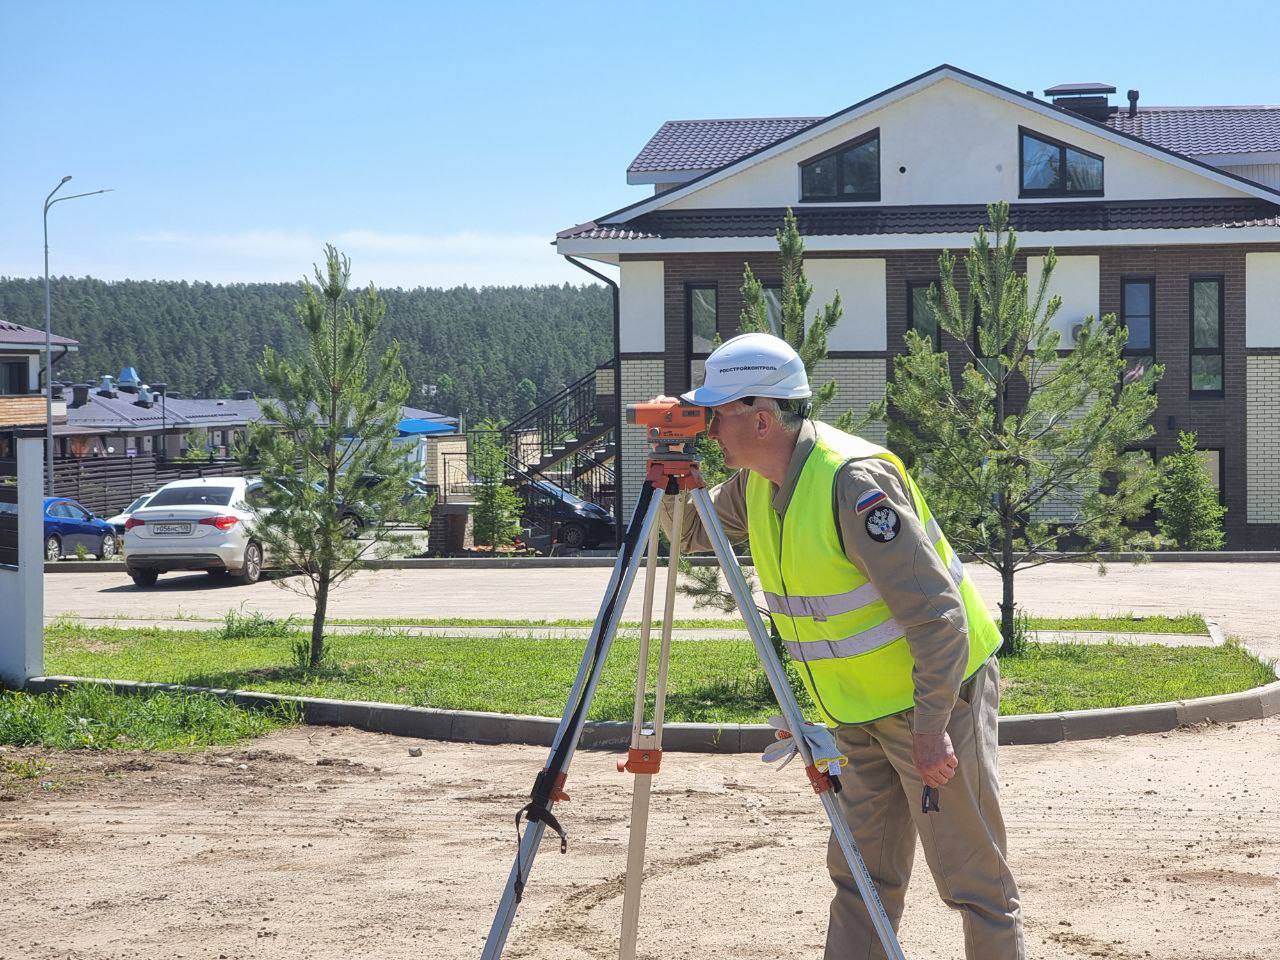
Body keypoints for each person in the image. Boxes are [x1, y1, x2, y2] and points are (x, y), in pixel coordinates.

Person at [653, 332, 1024, 959]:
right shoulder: (757, 485)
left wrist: (933, 727)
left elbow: (939, 617)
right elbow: (689, 534)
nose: (709, 430)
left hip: (936, 698)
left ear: (762, 418)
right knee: (861, 878)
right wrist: (669, 470)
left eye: (717, 415)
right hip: (857, 714)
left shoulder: (852, 483)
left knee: (973, 881)